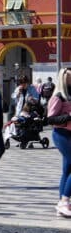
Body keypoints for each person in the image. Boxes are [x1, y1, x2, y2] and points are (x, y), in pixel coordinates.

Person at [47, 68, 71, 217]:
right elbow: (51, 119)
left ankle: (62, 203)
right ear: (64, 79)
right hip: (62, 134)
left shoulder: (68, 95)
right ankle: (64, 201)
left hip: (69, 134)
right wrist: (68, 117)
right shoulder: (58, 97)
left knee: (67, 169)